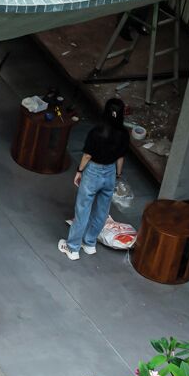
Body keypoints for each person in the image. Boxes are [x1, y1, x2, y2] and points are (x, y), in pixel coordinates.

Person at [60, 98, 129, 261]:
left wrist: (79, 171)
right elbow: (121, 157)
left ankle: (73, 248)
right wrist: (117, 175)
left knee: (83, 209)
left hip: (93, 172)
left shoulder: (97, 132)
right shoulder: (124, 134)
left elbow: (87, 155)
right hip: (110, 171)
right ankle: (89, 243)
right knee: (102, 211)